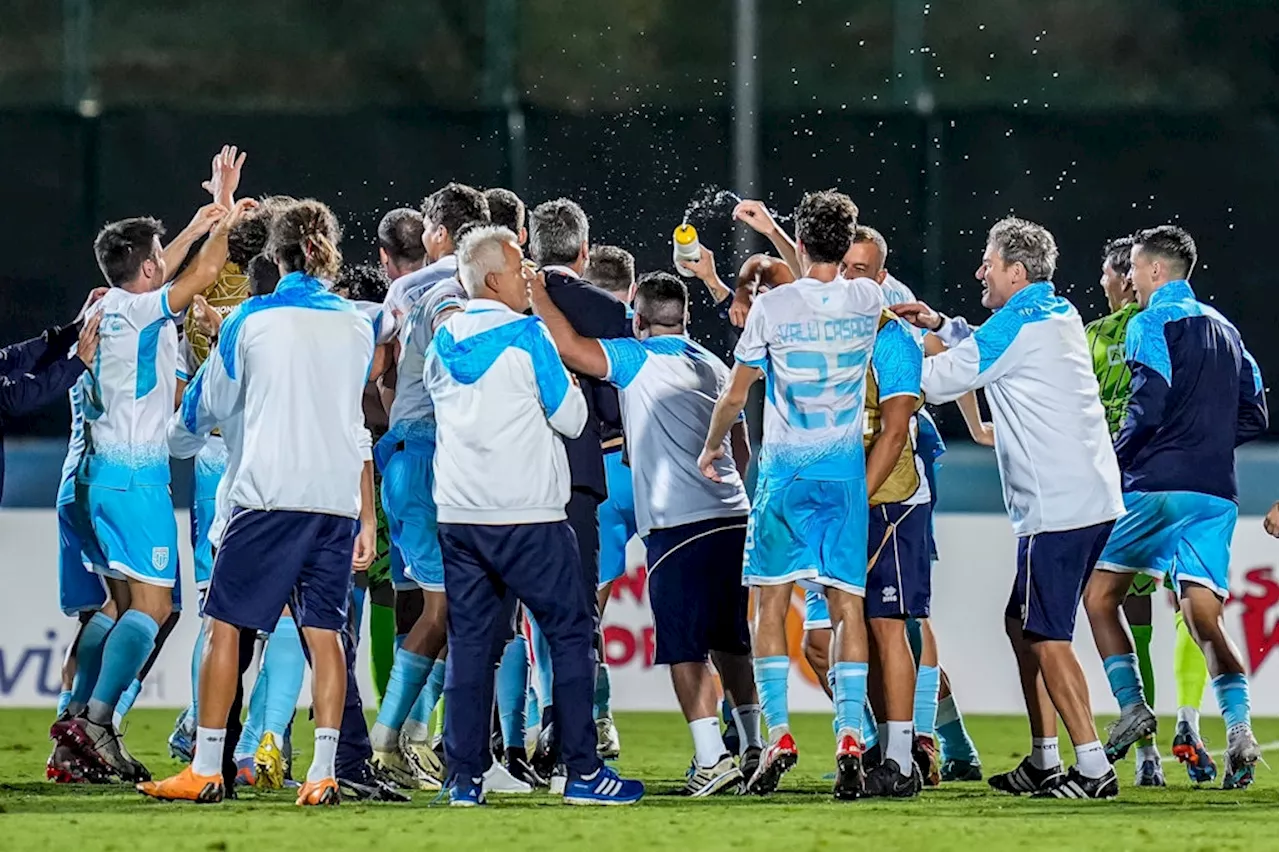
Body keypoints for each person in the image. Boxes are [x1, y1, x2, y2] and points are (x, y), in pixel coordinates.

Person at [139, 198, 378, 806]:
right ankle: (323, 771)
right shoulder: (356, 323)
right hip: (332, 499)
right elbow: (352, 417)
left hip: (268, 497)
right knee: (324, 634)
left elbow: (206, 405)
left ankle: (206, 767)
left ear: (274, 254)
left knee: (224, 627)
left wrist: (178, 436)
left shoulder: (250, 320)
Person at [893, 216, 1124, 800]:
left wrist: (880, 341)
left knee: (1047, 635)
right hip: (1083, 495)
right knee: (1021, 622)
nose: (980, 270)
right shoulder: (1055, 310)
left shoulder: (1018, 327)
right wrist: (944, 323)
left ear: (1015, 273)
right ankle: (1046, 760)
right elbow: (987, 340)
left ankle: (1093, 767)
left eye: (989, 262)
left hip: (1059, 506)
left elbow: (937, 379)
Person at [424, 223, 644, 807]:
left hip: (460, 515)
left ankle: (463, 780)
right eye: (519, 265)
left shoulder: (441, 340)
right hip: (529, 516)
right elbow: (574, 419)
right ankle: (583, 774)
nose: (528, 274)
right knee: (571, 634)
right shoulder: (528, 336)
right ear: (493, 278)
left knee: (471, 646)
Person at [531, 269, 761, 797]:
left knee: (684, 647)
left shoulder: (636, 358)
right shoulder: (710, 360)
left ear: (637, 318)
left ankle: (711, 760)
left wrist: (537, 292)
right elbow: (741, 433)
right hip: (732, 513)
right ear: (686, 317)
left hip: (678, 523)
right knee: (731, 639)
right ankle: (750, 746)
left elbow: (568, 345)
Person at [701, 190, 881, 800]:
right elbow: (822, 277)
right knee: (847, 606)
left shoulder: (773, 306)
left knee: (770, 606)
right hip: (843, 475)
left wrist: (711, 447)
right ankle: (851, 732)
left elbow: (735, 392)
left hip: (783, 472)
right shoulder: (869, 298)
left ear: (801, 245)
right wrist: (781, 231)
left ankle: (777, 731)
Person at [49, 196, 235, 782]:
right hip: (135, 477)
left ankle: (74, 722)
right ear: (150, 271)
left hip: (97, 474)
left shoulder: (106, 308)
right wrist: (225, 216)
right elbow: (204, 273)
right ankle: (97, 725)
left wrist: (195, 224)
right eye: (161, 258)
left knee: (119, 605)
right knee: (154, 607)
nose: (168, 264)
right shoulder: (137, 311)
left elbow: (167, 268)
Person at [1085, 225, 1267, 790]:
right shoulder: (1229, 329)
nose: (1131, 280)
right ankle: (1239, 731)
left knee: (1099, 597)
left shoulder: (1148, 323)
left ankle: (1134, 706)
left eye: (1135, 270)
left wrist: (1114, 464)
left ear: (1156, 271)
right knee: (1202, 617)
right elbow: (1255, 413)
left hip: (1154, 485)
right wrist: (1206, 446)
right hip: (1215, 493)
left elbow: (1147, 405)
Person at [369, 183, 492, 792]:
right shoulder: (469, 288)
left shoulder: (406, 289)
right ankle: (396, 741)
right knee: (450, 610)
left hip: (405, 455)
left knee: (435, 607)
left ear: (439, 232)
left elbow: (381, 368)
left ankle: (407, 739)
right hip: (438, 457)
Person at [1079, 235, 1207, 788]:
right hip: (1189, 476)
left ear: (1126, 276)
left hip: (1125, 482)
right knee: (1188, 602)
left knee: (1128, 614)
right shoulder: (1196, 326)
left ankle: (1149, 752)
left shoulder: (1102, 335)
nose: (1110, 282)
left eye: (1114, 273)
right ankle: (1192, 723)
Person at [526, 198, 631, 787]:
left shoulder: (506, 302)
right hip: (581, 473)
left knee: (511, 613)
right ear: (584, 252)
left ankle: (507, 738)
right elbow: (617, 404)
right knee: (578, 611)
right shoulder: (607, 310)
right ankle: (579, 731)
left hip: (509, 474)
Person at [577, 243, 639, 760]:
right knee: (702, 599)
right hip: (654, 475)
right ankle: (742, 734)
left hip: (597, 474)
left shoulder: (572, 334)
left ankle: (595, 718)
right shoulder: (645, 332)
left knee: (582, 614)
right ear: (633, 290)